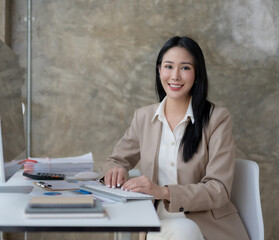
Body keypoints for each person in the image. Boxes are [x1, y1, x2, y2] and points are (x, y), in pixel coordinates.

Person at [101, 36, 249, 240]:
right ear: (159, 70)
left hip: (205, 223)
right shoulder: (144, 117)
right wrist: (114, 170)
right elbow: (116, 160)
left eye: (185, 68)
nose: (175, 76)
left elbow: (218, 189)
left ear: (197, 74)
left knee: (181, 232)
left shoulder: (217, 118)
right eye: (168, 66)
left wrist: (163, 192)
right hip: (155, 218)